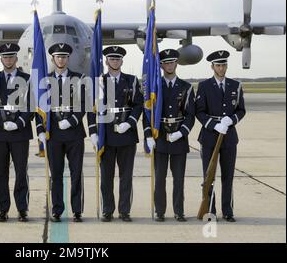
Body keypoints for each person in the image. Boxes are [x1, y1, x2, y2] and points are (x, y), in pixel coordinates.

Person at [89, 46, 143, 222]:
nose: (114, 62)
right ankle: (107, 210)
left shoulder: (132, 81)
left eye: (117, 59)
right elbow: (92, 108)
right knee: (106, 177)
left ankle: (124, 210)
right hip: (107, 134)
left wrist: (130, 123)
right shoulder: (99, 82)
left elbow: (138, 105)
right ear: (106, 61)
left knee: (126, 176)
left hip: (127, 134)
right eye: (111, 59)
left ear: (122, 61)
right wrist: (93, 132)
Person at [143, 49, 195, 222]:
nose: (169, 65)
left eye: (172, 62)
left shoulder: (186, 87)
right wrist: (149, 135)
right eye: (166, 62)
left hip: (179, 138)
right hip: (161, 136)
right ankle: (160, 211)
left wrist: (181, 132)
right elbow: (148, 114)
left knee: (178, 179)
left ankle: (179, 211)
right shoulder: (154, 88)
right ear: (161, 65)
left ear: (176, 64)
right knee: (160, 179)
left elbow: (190, 115)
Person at [36, 43, 86, 223]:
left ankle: (77, 210)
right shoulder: (44, 81)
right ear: (52, 59)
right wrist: (40, 131)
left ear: (68, 59)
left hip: (74, 133)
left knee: (76, 173)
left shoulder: (80, 78)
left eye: (64, 56)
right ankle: (57, 210)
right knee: (55, 174)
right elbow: (38, 108)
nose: (61, 59)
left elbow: (83, 106)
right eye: (58, 56)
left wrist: (71, 120)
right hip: (54, 134)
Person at [195, 50, 246, 222]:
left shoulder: (235, 86)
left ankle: (228, 210)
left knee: (228, 175)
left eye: (224, 65)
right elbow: (199, 112)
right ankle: (210, 210)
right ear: (212, 67)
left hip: (229, 136)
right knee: (209, 176)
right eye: (218, 65)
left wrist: (230, 121)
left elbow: (241, 110)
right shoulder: (204, 86)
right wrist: (214, 124)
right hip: (209, 136)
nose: (221, 68)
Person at [0, 43, 33, 222]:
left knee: (21, 172)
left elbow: (31, 105)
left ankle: (22, 208)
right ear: (1, 60)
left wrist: (20, 123)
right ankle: (2, 209)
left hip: (19, 133)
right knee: (0, 173)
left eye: (11, 57)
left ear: (16, 59)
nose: (8, 60)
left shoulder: (27, 78)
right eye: (5, 57)